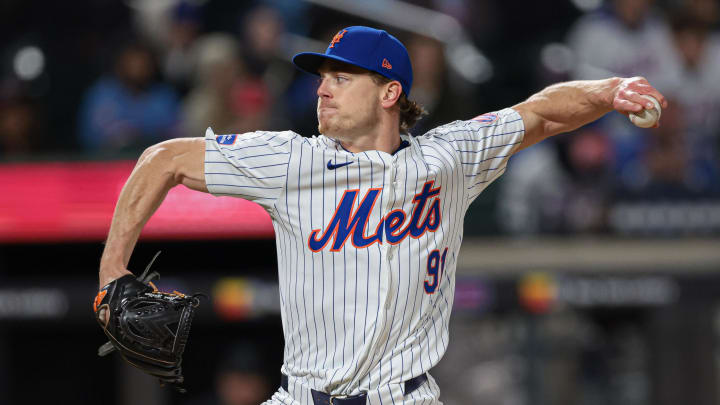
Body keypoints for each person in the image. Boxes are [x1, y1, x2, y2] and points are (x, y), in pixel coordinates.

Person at [97, 26, 667, 404]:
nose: (322, 91)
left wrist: (610, 89)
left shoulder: (450, 159)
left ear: (390, 91)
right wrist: (111, 271)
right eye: (322, 78)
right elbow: (162, 160)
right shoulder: (290, 161)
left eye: (342, 78)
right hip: (302, 395)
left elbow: (540, 114)